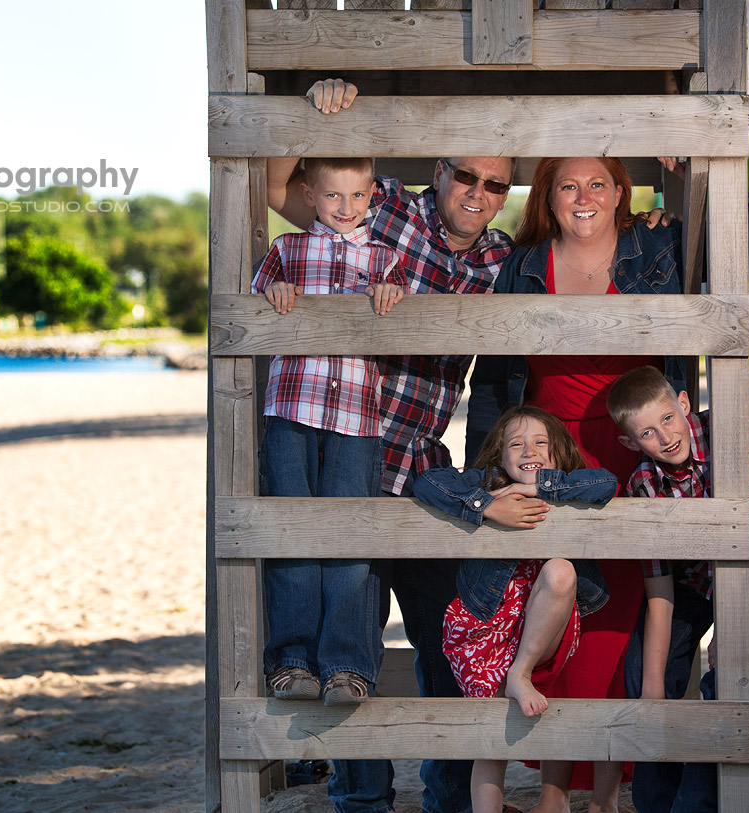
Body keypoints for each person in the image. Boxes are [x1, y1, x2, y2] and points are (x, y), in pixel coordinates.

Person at [463, 156, 749, 812]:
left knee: (623, 625)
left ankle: (604, 791)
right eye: (567, 185)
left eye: (598, 183)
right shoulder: (522, 267)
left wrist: (702, 174)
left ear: (621, 191)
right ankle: (557, 791)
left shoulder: (660, 244)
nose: (583, 197)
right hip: (547, 466)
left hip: (636, 460)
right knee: (561, 618)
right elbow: (493, 381)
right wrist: (486, 484)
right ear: (547, 198)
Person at [268, 79, 517, 813]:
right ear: (436, 172)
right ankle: (362, 798)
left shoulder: (501, 259)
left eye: (494, 183)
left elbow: (583, 246)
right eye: (464, 174)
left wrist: (653, 210)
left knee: (447, 639)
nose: (477, 191)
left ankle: (447, 798)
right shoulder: (384, 209)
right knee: (348, 648)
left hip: (422, 472)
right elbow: (289, 186)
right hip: (342, 451)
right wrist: (313, 103)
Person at [606, 365, 749, 813]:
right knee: (646, 674)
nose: (665, 437)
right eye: (648, 433)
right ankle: (657, 802)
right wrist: (653, 686)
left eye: (668, 419)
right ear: (630, 443)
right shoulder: (644, 483)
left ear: (684, 402)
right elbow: (659, 587)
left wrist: (736, 634)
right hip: (695, 579)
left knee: (733, 673)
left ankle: (696, 805)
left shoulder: (730, 436)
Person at [253, 157, 407, 714]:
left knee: (350, 539)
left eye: (358, 197)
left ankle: (347, 667)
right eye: (333, 197)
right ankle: (292, 662)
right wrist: (275, 294)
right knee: (293, 533)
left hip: (356, 419)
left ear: (373, 197)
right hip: (292, 407)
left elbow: (401, 309)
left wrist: (391, 296)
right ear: (309, 196)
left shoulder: (387, 260)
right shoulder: (288, 251)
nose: (346, 209)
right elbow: (259, 293)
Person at [411, 406, 617, 813]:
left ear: (558, 454)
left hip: (539, 630)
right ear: (500, 457)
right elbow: (427, 481)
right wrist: (484, 505)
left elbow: (606, 483)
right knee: (490, 738)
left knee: (561, 570)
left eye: (541, 442)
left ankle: (519, 675)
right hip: (482, 627)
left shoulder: (567, 484)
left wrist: (542, 490)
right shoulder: (486, 483)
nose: (530, 450)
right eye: (516, 443)